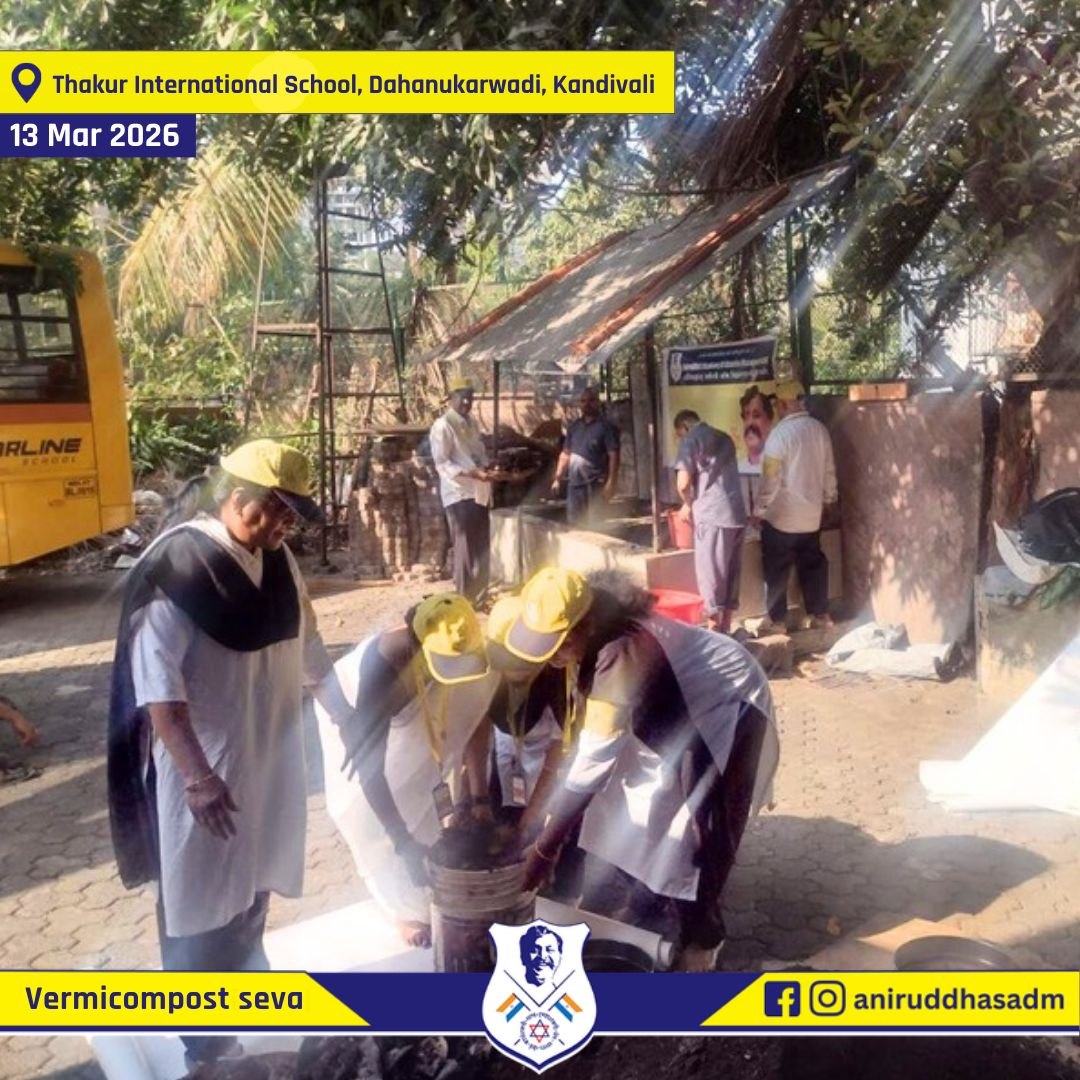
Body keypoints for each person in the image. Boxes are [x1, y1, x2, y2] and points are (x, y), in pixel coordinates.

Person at [107, 439, 357, 1067]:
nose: (281, 526)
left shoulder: (278, 562)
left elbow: (308, 643)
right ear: (235, 497)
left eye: (289, 516)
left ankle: (244, 994)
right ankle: (205, 1047)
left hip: (266, 763)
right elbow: (157, 689)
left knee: (252, 888)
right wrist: (196, 776)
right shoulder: (177, 567)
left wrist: (346, 716)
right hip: (203, 774)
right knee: (197, 908)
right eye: (273, 511)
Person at [506, 567, 778, 972]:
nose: (553, 657)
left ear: (587, 624)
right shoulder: (598, 630)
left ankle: (704, 938)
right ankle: (650, 896)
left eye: (559, 645)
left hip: (726, 705)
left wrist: (545, 848)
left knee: (696, 827)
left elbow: (590, 768)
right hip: (665, 712)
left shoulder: (625, 654)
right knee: (625, 808)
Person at [312, 592, 497, 946]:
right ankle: (397, 908)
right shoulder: (382, 670)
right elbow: (369, 772)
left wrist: (479, 796)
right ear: (417, 645)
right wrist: (401, 841)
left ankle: (419, 881)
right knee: (363, 817)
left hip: (419, 717)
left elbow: (474, 718)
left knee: (419, 795)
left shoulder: (464, 643)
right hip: (357, 721)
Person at [753, 381, 838, 634]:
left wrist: (759, 511)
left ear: (782, 404)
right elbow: (829, 471)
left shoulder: (780, 435)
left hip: (782, 518)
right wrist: (829, 500)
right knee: (812, 565)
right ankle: (820, 615)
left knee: (776, 568)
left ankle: (776, 621)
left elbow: (771, 480)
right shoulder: (820, 430)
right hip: (811, 517)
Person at [673, 409, 748, 634]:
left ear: (685, 427)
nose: (680, 438)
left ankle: (715, 631)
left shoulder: (690, 440)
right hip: (736, 513)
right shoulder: (724, 437)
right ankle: (726, 627)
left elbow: (683, 484)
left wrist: (688, 503)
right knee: (731, 571)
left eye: (679, 434)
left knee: (711, 573)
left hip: (712, 515)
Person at [430, 377, 496, 603]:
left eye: (470, 397)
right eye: (463, 397)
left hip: (478, 491)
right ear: (452, 398)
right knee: (465, 550)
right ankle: (463, 599)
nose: (467, 401)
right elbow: (442, 463)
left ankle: (479, 598)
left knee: (481, 548)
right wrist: (472, 473)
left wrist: (488, 467)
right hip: (459, 494)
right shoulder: (443, 426)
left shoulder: (471, 423)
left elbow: (478, 451)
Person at [551, 385, 620, 525]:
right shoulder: (574, 427)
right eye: (583, 401)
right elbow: (565, 454)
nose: (586, 404)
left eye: (591, 400)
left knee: (596, 525)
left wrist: (611, 482)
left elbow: (614, 455)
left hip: (595, 485)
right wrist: (557, 478)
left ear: (597, 403)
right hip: (575, 485)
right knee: (574, 526)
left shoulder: (605, 427)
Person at [737, 385, 775, 474]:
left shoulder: (779, 466)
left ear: (769, 421)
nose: (750, 422)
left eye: (756, 415)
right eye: (746, 416)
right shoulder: (738, 468)